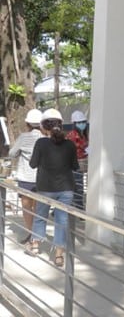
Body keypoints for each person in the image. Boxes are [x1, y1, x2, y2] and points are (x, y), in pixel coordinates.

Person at [27, 108, 78, 267]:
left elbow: (33, 164)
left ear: (43, 126)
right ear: (61, 125)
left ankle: (35, 246)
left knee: (40, 215)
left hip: (45, 187)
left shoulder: (41, 143)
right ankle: (58, 256)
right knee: (61, 220)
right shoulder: (70, 144)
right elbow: (75, 166)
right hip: (66, 188)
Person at [8, 109, 44, 244]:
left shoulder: (24, 137)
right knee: (37, 208)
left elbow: (12, 153)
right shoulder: (44, 138)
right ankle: (36, 238)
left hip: (25, 178)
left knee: (26, 207)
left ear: (28, 123)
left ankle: (31, 233)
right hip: (41, 178)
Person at [66, 110, 88, 210]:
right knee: (78, 188)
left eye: (83, 122)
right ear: (74, 124)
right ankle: (79, 209)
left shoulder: (83, 134)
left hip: (81, 164)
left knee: (77, 187)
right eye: (79, 122)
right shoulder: (72, 135)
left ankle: (76, 207)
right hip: (74, 165)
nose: (82, 124)